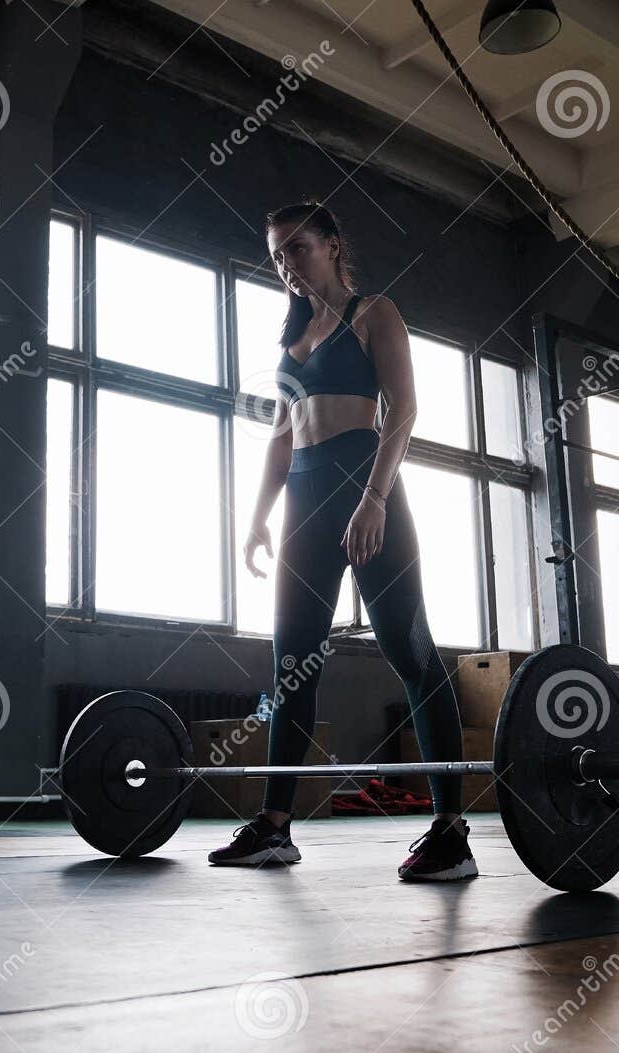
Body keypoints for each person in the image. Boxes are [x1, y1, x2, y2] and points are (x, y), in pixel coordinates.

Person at [208, 201, 474, 881]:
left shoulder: (373, 314)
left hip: (365, 489)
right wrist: (258, 516)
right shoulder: (290, 343)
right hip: (304, 501)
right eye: (276, 255)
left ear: (332, 245)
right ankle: (274, 827)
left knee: (408, 649)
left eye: (297, 248)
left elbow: (404, 409)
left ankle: (451, 830)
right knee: (291, 663)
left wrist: (374, 498)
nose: (287, 265)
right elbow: (279, 435)